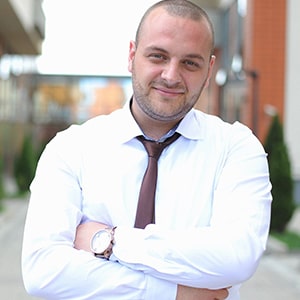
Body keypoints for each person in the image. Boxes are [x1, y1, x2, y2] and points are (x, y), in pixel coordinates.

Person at [22, 0, 272, 299]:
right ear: (131, 55)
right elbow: (43, 272)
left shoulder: (236, 149)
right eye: (158, 56)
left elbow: (237, 258)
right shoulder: (71, 148)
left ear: (209, 70)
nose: (170, 75)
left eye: (190, 63)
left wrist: (111, 242)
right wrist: (174, 292)